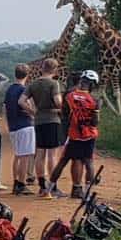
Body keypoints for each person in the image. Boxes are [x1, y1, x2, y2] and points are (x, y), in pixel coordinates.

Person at [48, 70, 101, 199]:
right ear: (92, 84)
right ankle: (87, 193)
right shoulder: (94, 100)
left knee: (63, 160)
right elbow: (95, 122)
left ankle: (48, 189)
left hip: (74, 134)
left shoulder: (69, 96)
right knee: (89, 162)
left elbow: (64, 114)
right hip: (89, 135)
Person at [27, 57, 65, 198]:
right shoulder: (54, 84)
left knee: (40, 153)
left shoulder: (33, 84)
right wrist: (61, 108)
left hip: (39, 121)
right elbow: (58, 101)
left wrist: (34, 112)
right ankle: (52, 187)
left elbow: (21, 101)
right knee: (52, 155)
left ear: (42, 68)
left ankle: (42, 186)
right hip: (52, 120)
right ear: (54, 69)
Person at [3, 64, 36, 195]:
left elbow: (5, 108)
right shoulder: (24, 89)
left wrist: (8, 123)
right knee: (25, 156)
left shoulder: (9, 89)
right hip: (24, 125)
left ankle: (16, 182)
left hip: (13, 126)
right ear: (27, 75)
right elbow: (25, 103)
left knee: (18, 155)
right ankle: (21, 184)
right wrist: (33, 113)